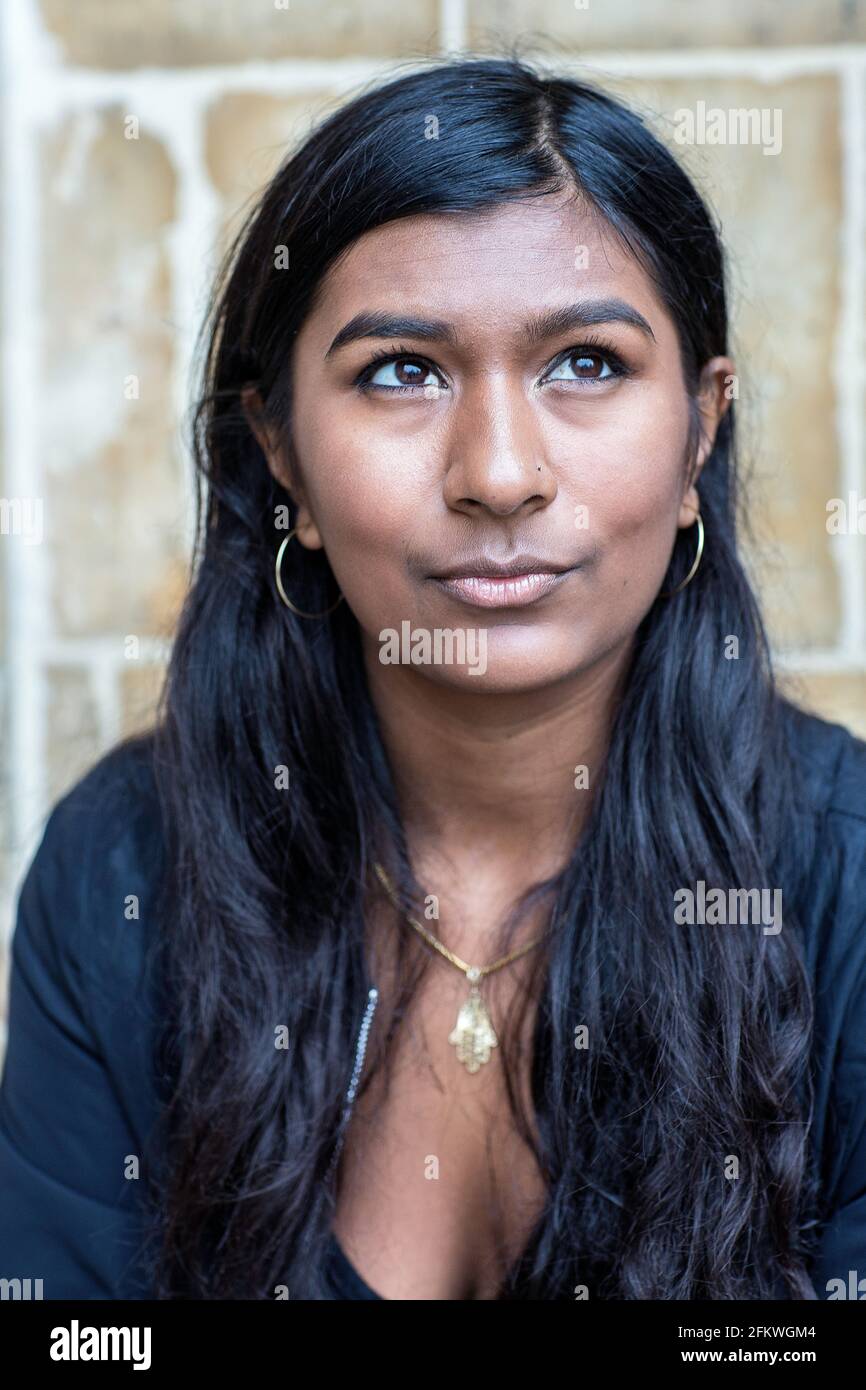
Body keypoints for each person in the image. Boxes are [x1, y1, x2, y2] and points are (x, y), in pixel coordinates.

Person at [1, 56, 865, 1302]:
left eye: (585, 362)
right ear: (280, 453)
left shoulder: (839, 884)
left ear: (698, 432)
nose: (500, 473)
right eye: (402, 370)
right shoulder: (124, 871)